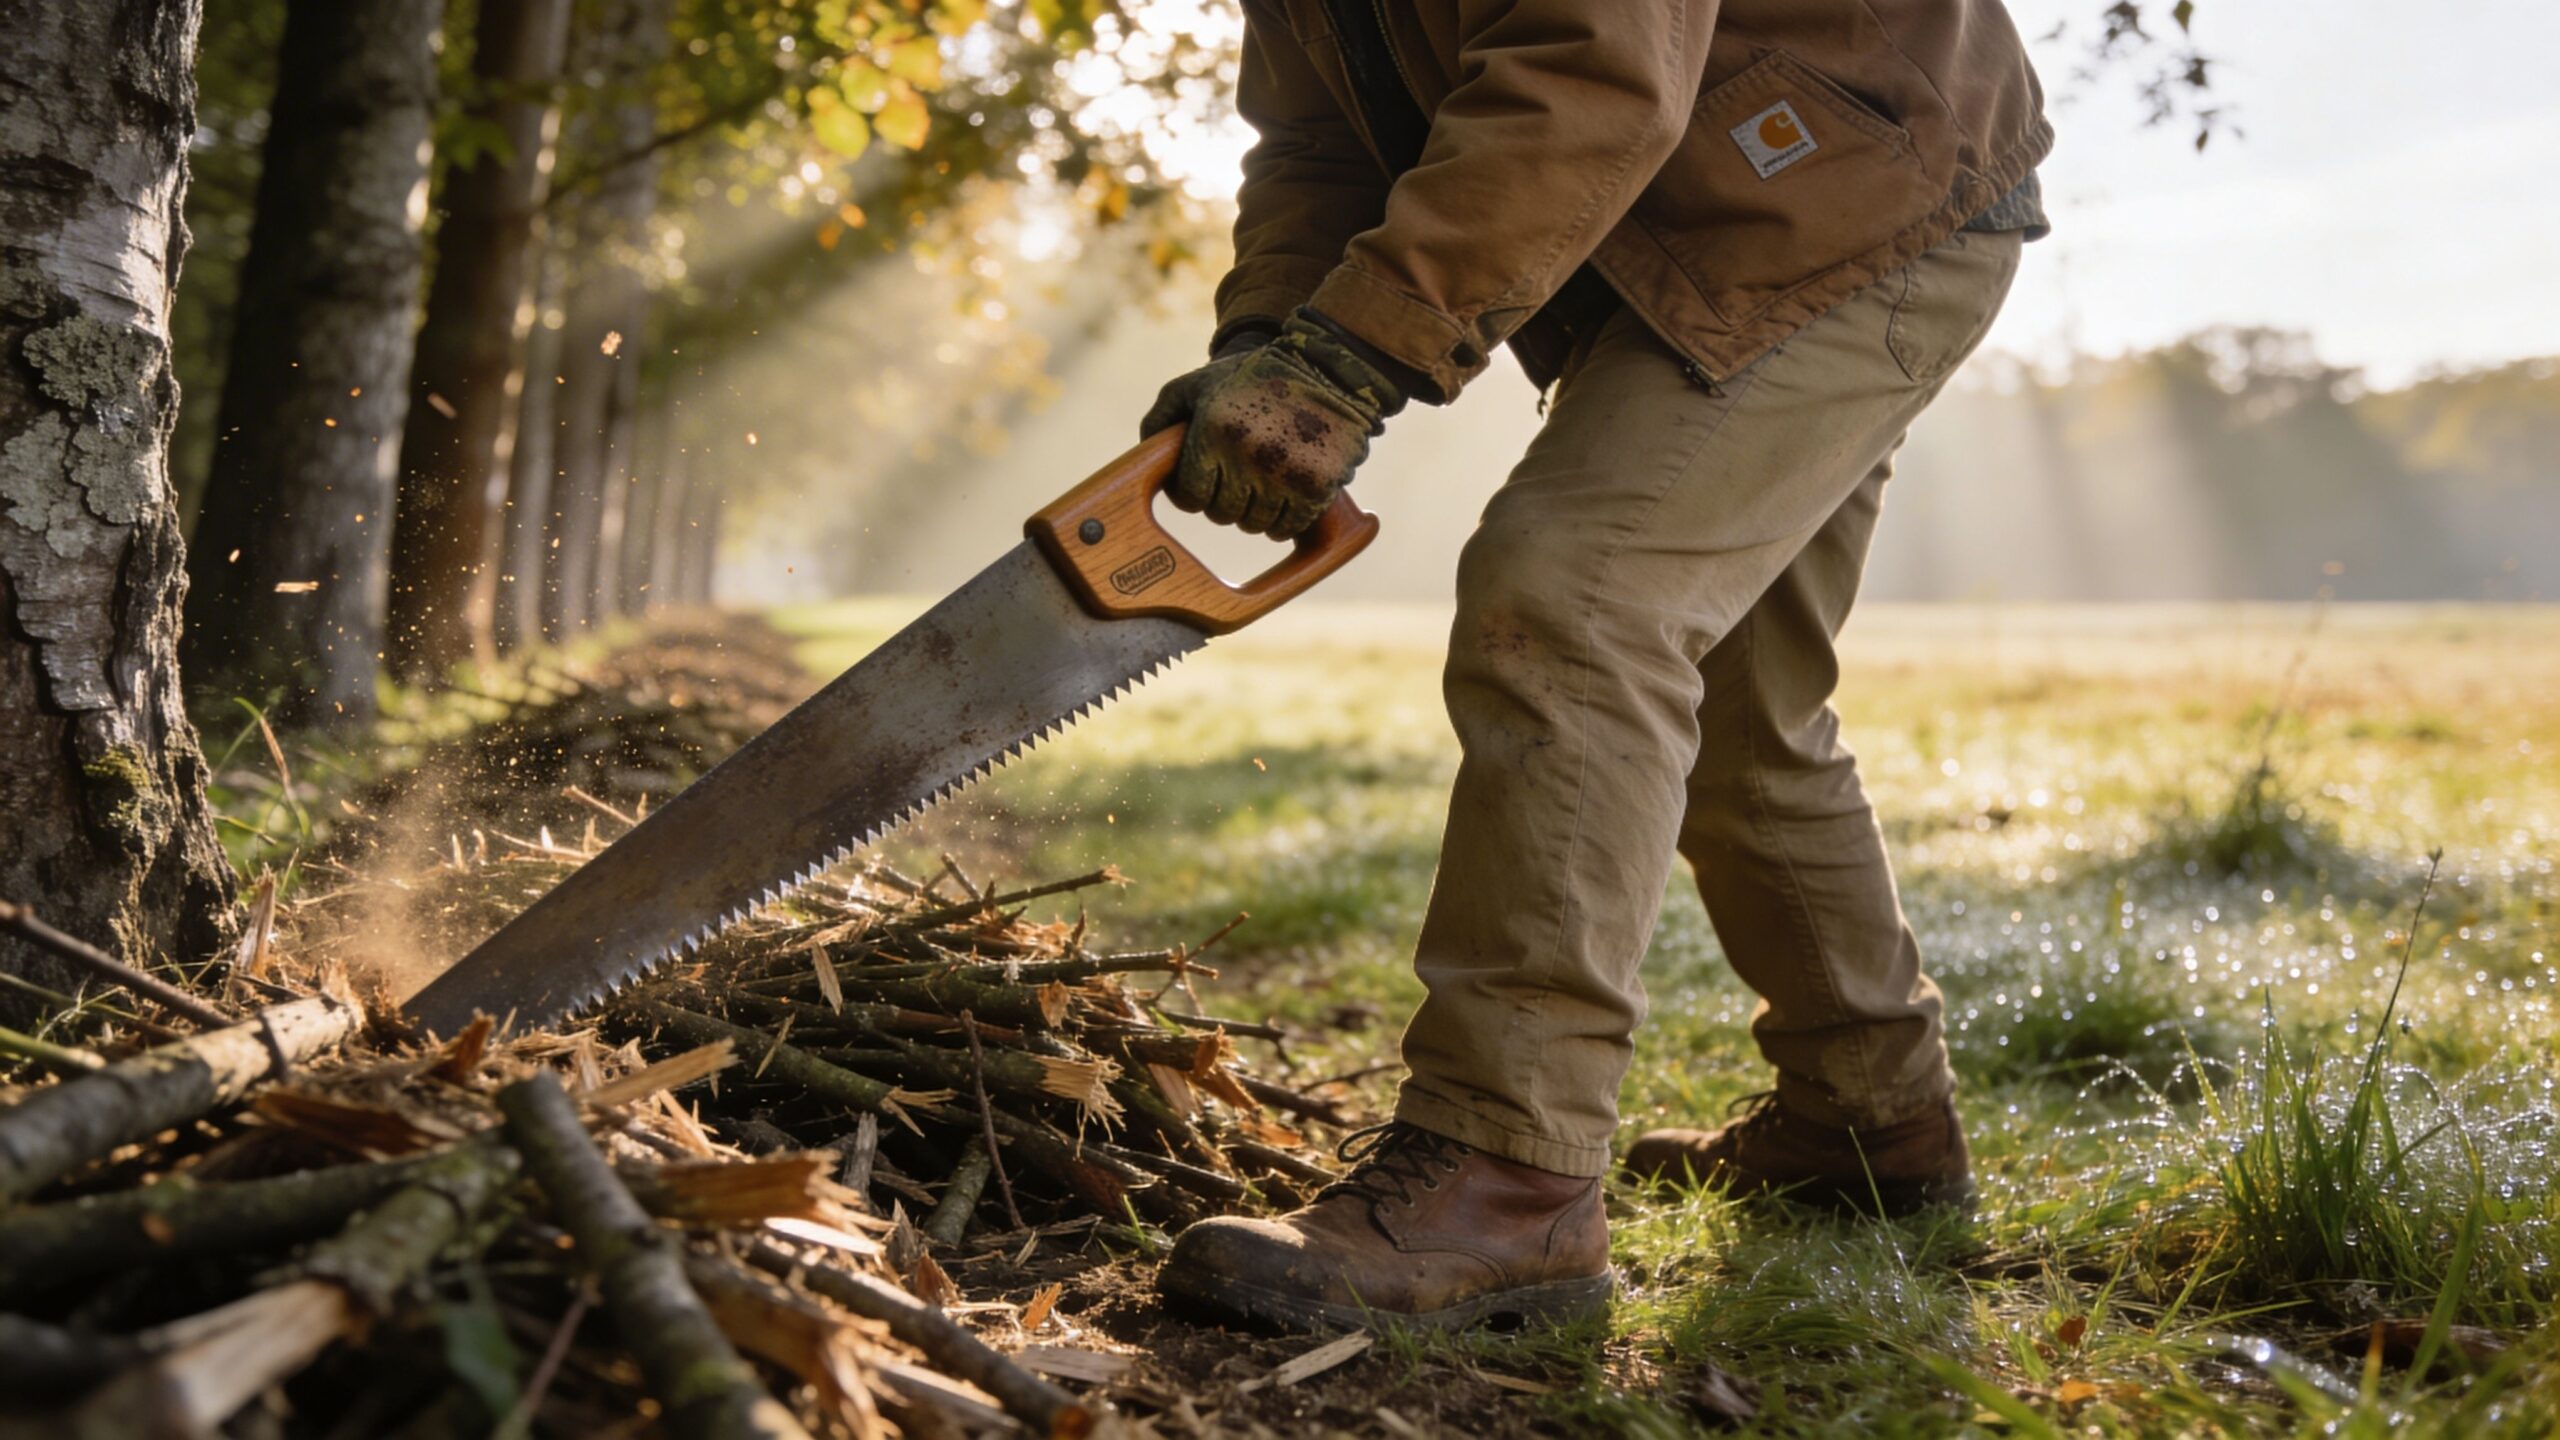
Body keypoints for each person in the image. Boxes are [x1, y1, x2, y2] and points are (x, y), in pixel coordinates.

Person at [1143, 0, 2053, 1334]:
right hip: (1699, 221)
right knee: (1738, 703)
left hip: (1850, 180)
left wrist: (1353, 356)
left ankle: (1513, 1178)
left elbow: (1597, 67)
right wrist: (1271, 343)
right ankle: (1871, 1123)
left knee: (1573, 597)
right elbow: (1316, 141)